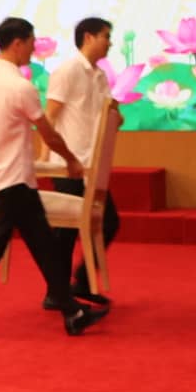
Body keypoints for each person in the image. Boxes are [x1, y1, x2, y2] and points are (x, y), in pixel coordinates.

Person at [0, 17, 106, 338]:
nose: (33, 48)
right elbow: (49, 135)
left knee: (43, 246)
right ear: (17, 43)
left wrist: (0, 148)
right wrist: (71, 161)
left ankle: (72, 310)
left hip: (7, 176)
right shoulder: (21, 87)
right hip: (15, 182)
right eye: (31, 41)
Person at [44, 16, 120, 305]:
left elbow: (106, 113)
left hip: (92, 164)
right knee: (64, 229)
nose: (110, 42)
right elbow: (50, 115)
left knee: (107, 222)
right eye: (105, 36)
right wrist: (45, 157)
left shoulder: (100, 76)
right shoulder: (67, 70)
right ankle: (57, 292)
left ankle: (81, 282)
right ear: (88, 37)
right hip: (69, 162)